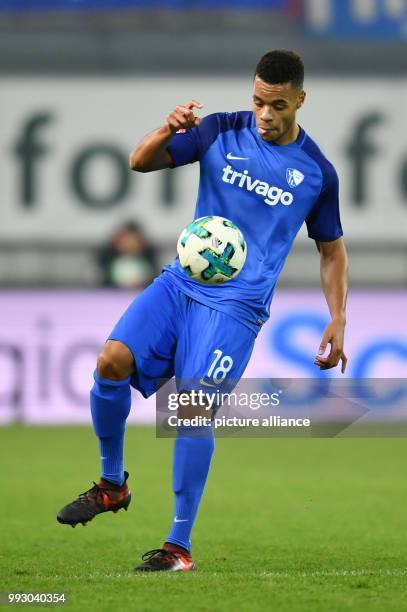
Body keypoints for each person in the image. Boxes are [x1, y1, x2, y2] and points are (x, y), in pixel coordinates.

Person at [57, 50, 348, 572]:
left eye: (277, 106)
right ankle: (111, 485)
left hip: (236, 307)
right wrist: (167, 129)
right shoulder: (219, 131)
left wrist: (338, 317)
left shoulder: (316, 173)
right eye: (258, 101)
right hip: (180, 283)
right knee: (110, 362)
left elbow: (331, 250)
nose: (264, 115)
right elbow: (139, 161)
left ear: (300, 101)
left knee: (190, 409)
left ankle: (178, 546)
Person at [96, 221, 158, 289]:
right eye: (126, 240)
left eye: (133, 240)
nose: (129, 244)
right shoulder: (107, 257)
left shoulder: (149, 257)